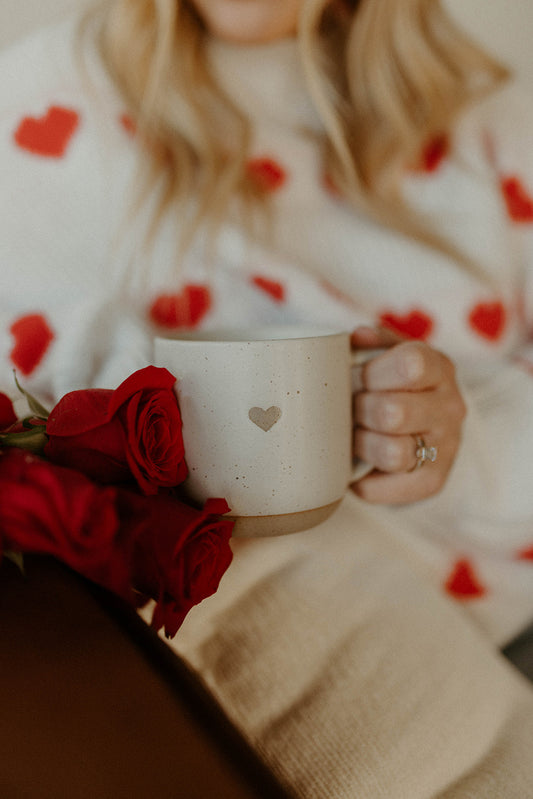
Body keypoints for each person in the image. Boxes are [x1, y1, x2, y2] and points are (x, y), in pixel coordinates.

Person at [1, 0, 533, 795]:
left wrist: (460, 447)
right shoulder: (45, 104)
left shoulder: (492, 121)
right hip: (221, 663)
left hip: (499, 630)